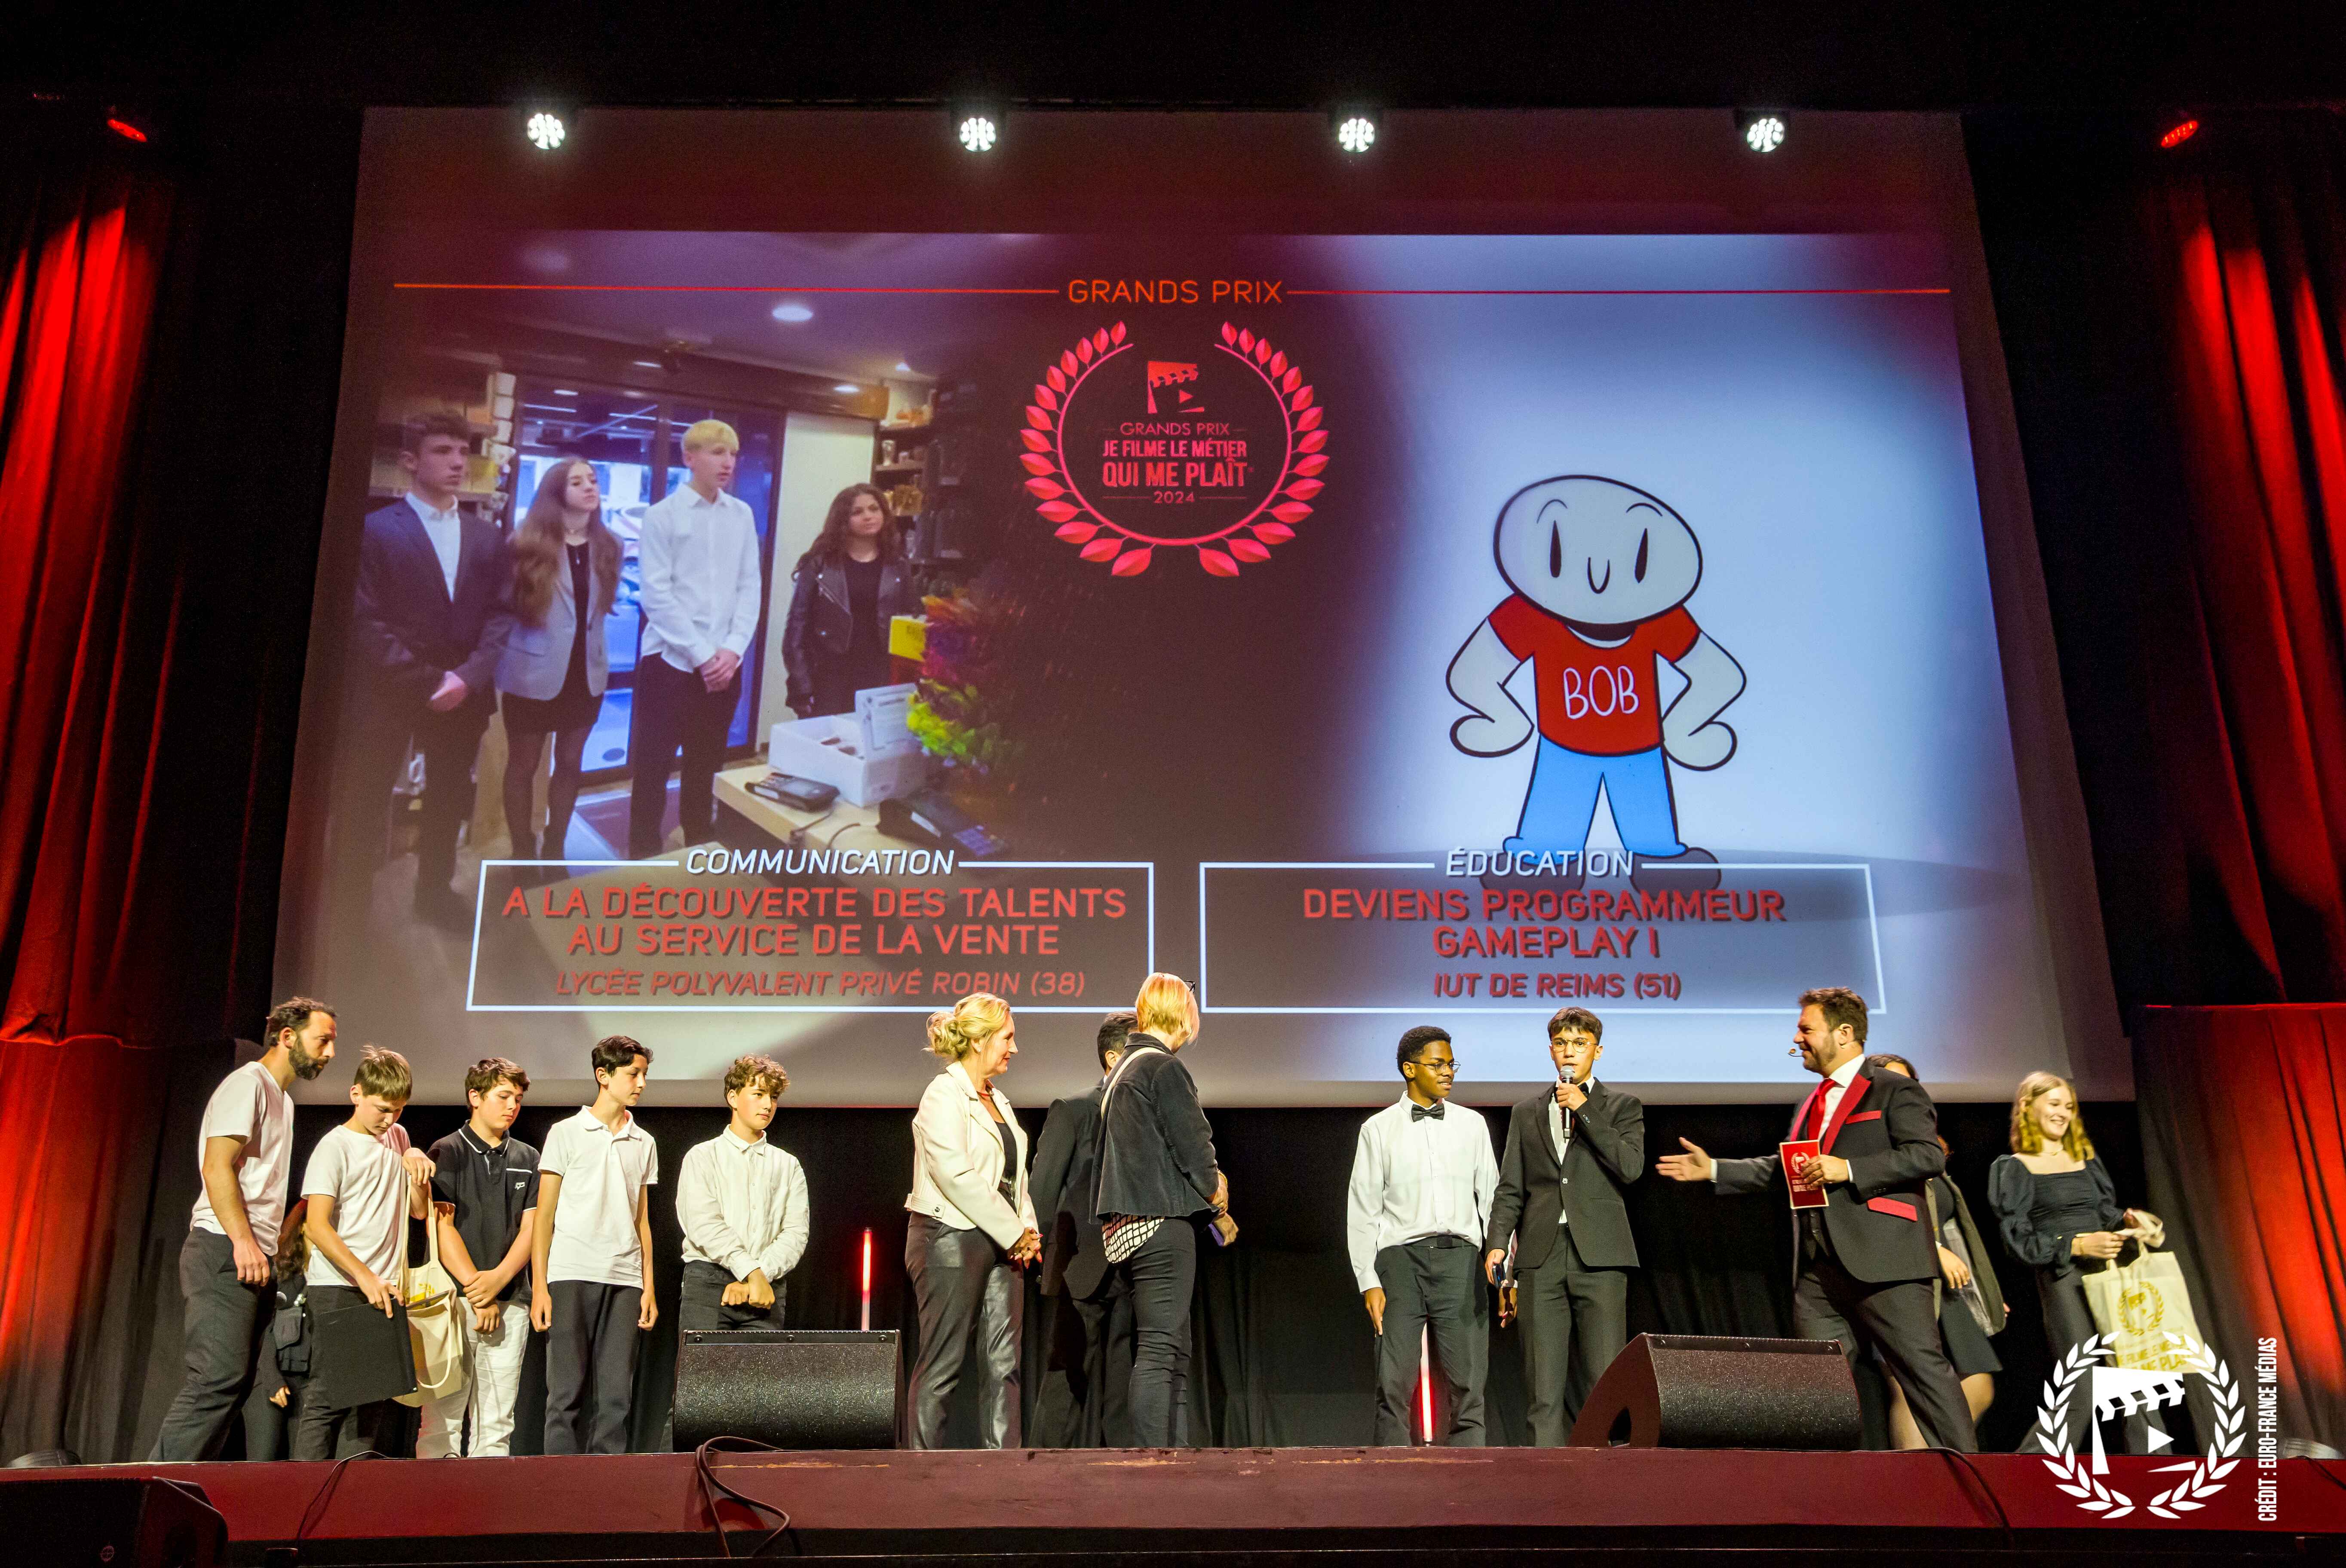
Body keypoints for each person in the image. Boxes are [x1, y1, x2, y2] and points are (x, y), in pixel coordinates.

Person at [1656, 986, 1978, 1452]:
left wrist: (1848, 1169)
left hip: (1885, 1258)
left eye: (1806, 1029)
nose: (1797, 1038)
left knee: (1922, 1373)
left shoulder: (1894, 1089)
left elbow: (1926, 1156)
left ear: (1844, 1033)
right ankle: (1824, 1485)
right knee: (1814, 1387)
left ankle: (1974, 1478)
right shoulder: (1810, 1103)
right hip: (1818, 1270)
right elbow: (1790, 1169)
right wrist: (1715, 1170)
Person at [346, 412, 515, 929]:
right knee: (367, 797)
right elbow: (363, 618)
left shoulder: (487, 536)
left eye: (463, 452)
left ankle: (435, 894)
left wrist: (468, 676)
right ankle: (351, 909)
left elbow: (501, 614)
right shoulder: (375, 529)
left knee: (448, 798)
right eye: (443, 451)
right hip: (390, 690)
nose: (458, 462)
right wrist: (427, 680)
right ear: (410, 461)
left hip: (465, 689)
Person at [152, 998, 340, 1461]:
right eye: (323, 1040)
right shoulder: (248, 1085)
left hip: (254, 1255)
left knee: (235, 1387)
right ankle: (150, 1484)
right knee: (216, 1379)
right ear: (287, 1037)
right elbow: (217, 1167)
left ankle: (183, 1484)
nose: (331, 1053)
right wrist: (242, 1242)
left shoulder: (284, 1101)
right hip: (224, 1247)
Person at [1989, 1071, 2210, 1456]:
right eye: (2054, 1104)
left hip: (2111, 1275)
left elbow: (2104, 1213)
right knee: (2083, 1382)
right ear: (2027, 1106)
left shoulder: (2085, 1159)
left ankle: (2154, 1468)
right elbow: (2018, 1242)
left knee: (2136, 1371)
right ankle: (2027, 1467)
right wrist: (2076, 1245)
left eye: (2069, 1106)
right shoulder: (2013, 1167)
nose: (2063, 1113)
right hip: (2064, 1279)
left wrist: (2128, 1221)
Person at [1483, 1005, 1645, 1445]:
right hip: (1541, 1256)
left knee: (1605, 1381)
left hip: (1601, 1256)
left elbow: (1630, 1167)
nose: (1569, 1052)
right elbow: (1511, 1188)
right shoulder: (1527, 1112)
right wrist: (1497, 1243)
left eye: (1579, 1043)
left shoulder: (1622, 1107)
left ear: (1597, 1050)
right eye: (1561, 1044)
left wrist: (1585, 1110)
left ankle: (1605, 1477)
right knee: (1542, 1389)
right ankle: (1547, 1480)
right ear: (1551, 1050)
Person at [1092, 973, 1236, 1449]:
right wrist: (1216, 1191)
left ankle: (1173, 1459)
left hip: (1129, 1225)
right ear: (1184, 1017)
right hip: (1159, 1223)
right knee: (1160, 1350)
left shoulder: (1122, 1070)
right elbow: (1193, 1144)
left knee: (1173, 1350)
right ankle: (1155, 1464)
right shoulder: (1161, 1067)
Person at [1347, 1026, 1500, 1446]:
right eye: (1437, 1065)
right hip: (1400, 1263)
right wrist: (1368, 1280)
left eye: (1451, 1064)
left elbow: (1492, 1200)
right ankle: (1394, 1480)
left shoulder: (1472, 1125)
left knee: (1469, 1385)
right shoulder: (1378, 1130)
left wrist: (1506, 1269)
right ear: (1409, 1069)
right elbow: (1363, 1210)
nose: (1448, 1072)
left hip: (1461, 1261)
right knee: (1393, 1383)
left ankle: (1467, 1480)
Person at [904, 994, 1040, 1449]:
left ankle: (1003, 1472)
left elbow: (1013, 1175)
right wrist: (1014, 1232)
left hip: (1002, 1241)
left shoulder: (997, 1099)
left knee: (1006, 1365)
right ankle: (920, 1475)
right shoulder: (943, 1094)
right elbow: (956, 1175)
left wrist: (1027, 1229)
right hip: (949, 1238)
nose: (1014, 1048)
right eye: (1007, 1038)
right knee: (943, 1365)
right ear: (980, 1040)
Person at [628, 420, 763, 859]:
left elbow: (750, 587)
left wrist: (733, 649)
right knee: (653, 768)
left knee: (706, 767)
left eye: (733, 454)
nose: (728, 463)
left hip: (725, 663)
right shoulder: (662, 515)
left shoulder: (741, 514)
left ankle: (700, 850)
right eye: (717, 453)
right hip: (670, 663)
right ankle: (643, 857)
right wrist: (704, 656)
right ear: (690, 458)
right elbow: (656, 595)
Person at [294, 1046, 433, 1461]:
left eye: (399, 1110)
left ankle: (352, 1490)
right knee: (327, 1399)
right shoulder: (333, 1147)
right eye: (382, 1109)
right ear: (356, 1094)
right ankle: (303, 1490)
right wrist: (364, 1276)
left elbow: (419, 1211)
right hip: (340, 1286)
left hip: (383, 1287)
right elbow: (317, 1226)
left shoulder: (398, 1138)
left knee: (371, 1404)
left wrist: (416, 1164)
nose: (390, 1119)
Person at [1865, 1054, 2003, 1449]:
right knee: (1910, 1392)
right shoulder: (1866, 1147)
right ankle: (1918, 1480)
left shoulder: (1922, 1147)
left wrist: (1981, 1286)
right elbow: (1874, 1215)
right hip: (1897, 1278)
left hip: (1944, 1288)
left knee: (1976, 1386)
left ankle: (1936, 1469)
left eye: (1907, 1084)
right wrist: (1934, 1249)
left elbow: (1949, 1223)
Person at [532, 1036, 660, 1455]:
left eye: (644, 1075)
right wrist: (540, 1287)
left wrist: (648, 1287)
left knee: (616, 1399)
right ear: (603, 1076)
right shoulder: (566, 1133)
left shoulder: (644, 1141)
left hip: (625, 1280)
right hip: (571, 1273)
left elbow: (642, 1221)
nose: (641, 1083)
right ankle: (558, 1485)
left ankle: (607, 1486)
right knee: (565, 1395)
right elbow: (544, 1217)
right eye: (633, 1074)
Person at [499, 457, 619, 866]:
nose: (590, 487)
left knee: (570, 763)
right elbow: (502, 610)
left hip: (587, 673)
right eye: (577, 482)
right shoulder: (525, 543)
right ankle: (522, 851)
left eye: (593, 480)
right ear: (556, 493)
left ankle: (555, 847)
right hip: (532, 671)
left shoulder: (609, 545)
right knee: (523, 765)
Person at [419, 1057, 540, 1458]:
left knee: (496, 1425)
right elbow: (442, 1226)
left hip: (510, 1301)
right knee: (441, 1423)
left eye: (517, 1099)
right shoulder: (448, 1150)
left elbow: (532, 1229)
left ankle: (486, 1499)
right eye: (503, 1096)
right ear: (475, 1097)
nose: (512, 1106)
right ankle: (436, 1499)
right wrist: (477, 1292)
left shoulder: (527, 1157)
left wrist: (498, 1283)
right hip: (452, 1302)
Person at [1028, 1012, 1138, 1447]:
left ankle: (1126, 1476)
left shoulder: (1146, 1115)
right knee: (1066, 1381)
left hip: (1132, 1265)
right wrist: (1041, 1252)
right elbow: (1042, 1190)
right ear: (1113, 1058)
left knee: (1125, 1386)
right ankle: (1041, 1474)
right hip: (1081, 1265)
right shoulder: (1074, 1110)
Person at [678, 1055, 809, 1330]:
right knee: (702, 1362)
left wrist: (760, 1275)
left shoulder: (788, 1164)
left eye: (774, 1097)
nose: (768, 1105)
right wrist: (751, 1271)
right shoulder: (703, 1156)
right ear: (733, 1098)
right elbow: (703, 1223)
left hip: (767, 1287)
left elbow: (796, 1233)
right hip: (710, 1283)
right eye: (759, 1094)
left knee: (761, 1362)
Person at [782, 482, 917, 720]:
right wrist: (801, 684)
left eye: (874, 509)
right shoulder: (819, 564)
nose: (868, 517)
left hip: (879, 673)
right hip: (829, 674)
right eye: (857, 512)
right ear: (843, 519)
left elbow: (910, 622)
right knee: (828, 740)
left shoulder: (898, 565)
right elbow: (796, 628)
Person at [239, 1203, 313, 1462]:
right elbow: (261, 1330)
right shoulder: (279, 1272)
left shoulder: (334, 1277)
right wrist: (271, 1378)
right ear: (302, 1227)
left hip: (308, 1385)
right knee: (264, 1462)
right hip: (269, 1377)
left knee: (303, 1466)